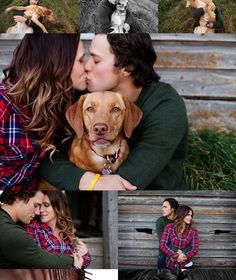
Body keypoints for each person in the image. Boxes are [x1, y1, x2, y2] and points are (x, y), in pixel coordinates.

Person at [39, 32, 188, 192]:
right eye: (88, 58)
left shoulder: (166, 108)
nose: (87, 66)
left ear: (127, 67)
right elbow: (44, 157)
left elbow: (127, 182)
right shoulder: (86, 97)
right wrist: (84, 179)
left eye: (96, 60)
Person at [0, 34, 134, 194]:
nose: (87, 67)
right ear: (57, 64)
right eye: (80, 61)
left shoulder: (58, 103)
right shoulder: (3, 103)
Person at [0, 188, 82, 268]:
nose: (38, 212)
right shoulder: (13, 233)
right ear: (18, 197)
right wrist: (74, 258)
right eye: (36, 205)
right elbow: (45, 260)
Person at [26, 189, 91, 266]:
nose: (40, 210)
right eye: (39, 205)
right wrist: (75, 263)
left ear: (58, 207)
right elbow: (38, 263)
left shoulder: (66, 231)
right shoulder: (33, 227)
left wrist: (84, 252)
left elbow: (86, 259)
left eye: (46, 205)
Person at [160, 205, 199, 270]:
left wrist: (183, 257)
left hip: (186, 264)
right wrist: (176, 256)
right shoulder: (169, 227)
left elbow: (195, 248)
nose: (190, 217)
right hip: (171, 263)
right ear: (181, 215)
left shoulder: (193, 231)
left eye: (191, 216)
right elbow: (163, 245)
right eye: (188, 215)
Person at [156, 197, 179, 269]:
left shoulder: (180, 221)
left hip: (180, 255)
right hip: (164, 255)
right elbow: (162, 241)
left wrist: (179, 254)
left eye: (165, 207)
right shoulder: (160, 221)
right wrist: (175, 253)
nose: (162, 209)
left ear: (172, 209)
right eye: (163, 207)